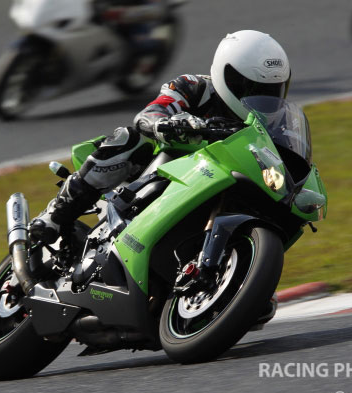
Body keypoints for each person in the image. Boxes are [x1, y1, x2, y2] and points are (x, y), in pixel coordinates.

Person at [30, 30, 292, 247]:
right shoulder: (194, 87)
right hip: (159, 175)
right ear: (227, 76)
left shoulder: (273, 122)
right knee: (131, 138)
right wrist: (168, 122)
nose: (264, 99)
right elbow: (148, 115)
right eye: (253, 89)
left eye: (273, 91)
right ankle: (56, 214)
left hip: (221, 181)